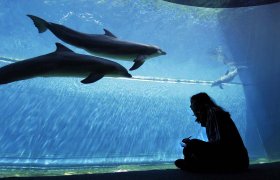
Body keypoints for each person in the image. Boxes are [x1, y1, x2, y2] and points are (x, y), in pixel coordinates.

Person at [175, 92, 249, 172]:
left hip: (234, 159)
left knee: (192, 144)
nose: (190, 106)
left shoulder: (214, 113)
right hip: (234, 158)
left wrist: (193, 144)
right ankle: (194, 164)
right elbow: (216, 143)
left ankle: (193, 164)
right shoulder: (212, 114)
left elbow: (220, 143)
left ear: (200, 104)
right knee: (189, 147)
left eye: (192, 104)